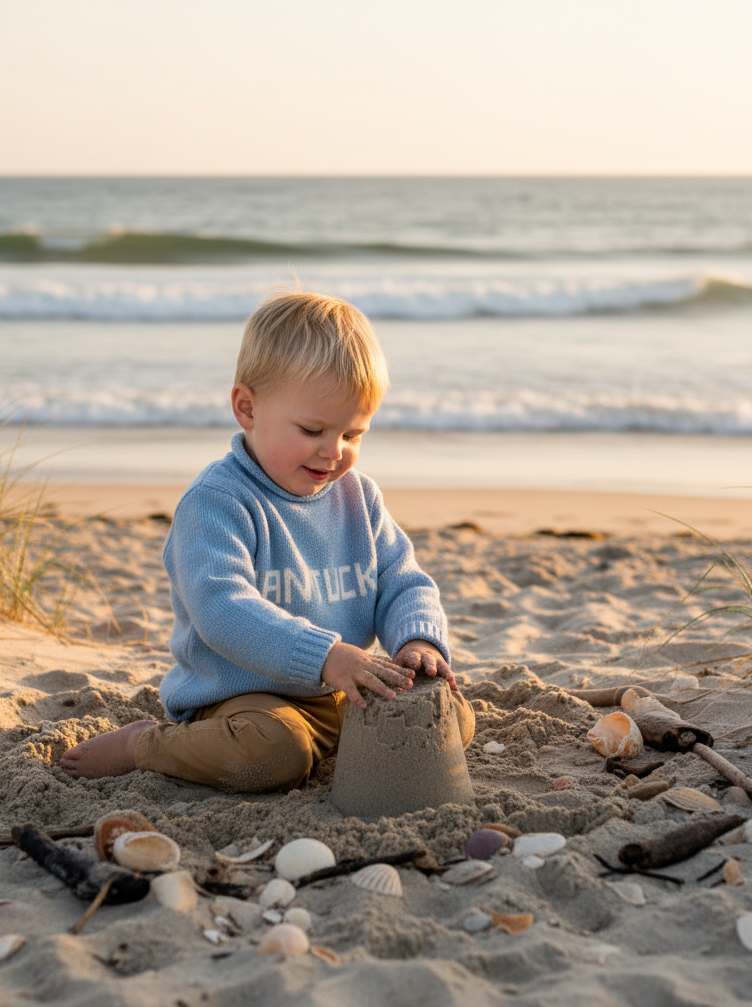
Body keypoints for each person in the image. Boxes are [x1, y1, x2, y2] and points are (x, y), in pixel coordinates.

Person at [60, 291, 474, 792]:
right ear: (247, 407)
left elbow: (401, 580)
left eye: (354, 434)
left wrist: (416, 638)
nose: (334, 452)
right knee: (276, 753)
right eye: (312, 429)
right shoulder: (218, 501)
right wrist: (326, 655)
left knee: (449, 718)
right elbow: (223, 609)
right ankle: (144, 744)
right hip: (244, 700)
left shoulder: (357, 497)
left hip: (339, 691)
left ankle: (345, 742)